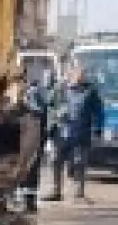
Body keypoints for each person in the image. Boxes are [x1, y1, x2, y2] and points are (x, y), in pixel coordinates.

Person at [42, 64, 104, 202]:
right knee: (55, 160)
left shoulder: (90, 91)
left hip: (81, 132)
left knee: (79, 162)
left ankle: (78, 193)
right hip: (61, 131)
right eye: (76, 74)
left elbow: (98, 112)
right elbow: (49, 106)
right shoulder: (59, 89)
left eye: (81, 75)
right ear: (70, 75)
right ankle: (56, 191)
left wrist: (97, 129)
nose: (79, 77)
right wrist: (56, 115)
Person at [17, 68, 54, 213]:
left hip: (33, 137)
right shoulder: (33, 93)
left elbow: (40, 113)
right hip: (32, 136)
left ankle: (28, 201)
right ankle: (27, 200)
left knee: (29, 168)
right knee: (29, 168)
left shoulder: (32, 94)